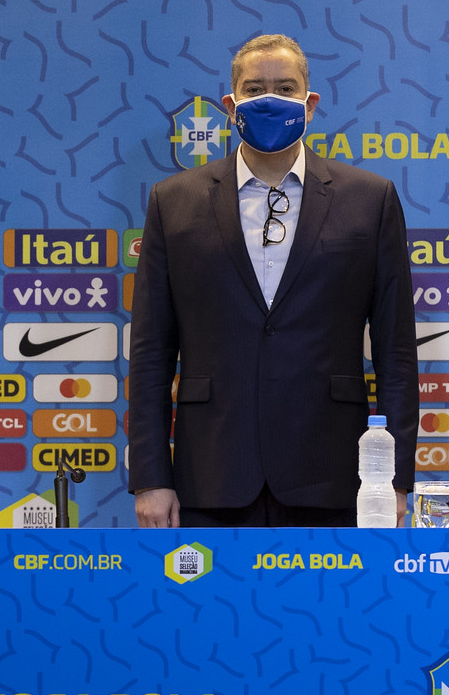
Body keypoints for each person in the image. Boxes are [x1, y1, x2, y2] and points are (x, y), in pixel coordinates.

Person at [126, 33, 419, 526]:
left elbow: (397, 354)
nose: (270, 100)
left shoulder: (370, 200)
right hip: (212, 474)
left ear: (310, 103)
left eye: (285, 89)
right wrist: (152, 477)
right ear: (230, 105)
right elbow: (151, 353)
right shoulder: (172, 202)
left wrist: (391, 479)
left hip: (335, 475)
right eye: (254, 88)